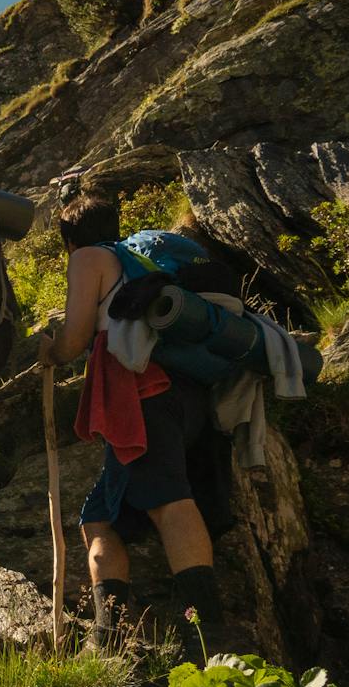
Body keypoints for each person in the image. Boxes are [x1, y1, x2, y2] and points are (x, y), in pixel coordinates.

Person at [36, 192, 227, 644]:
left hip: (143, 394)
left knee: (169, 501)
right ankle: (109, 638)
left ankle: (208, 637)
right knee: (99, 517)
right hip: (190, 392)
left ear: (69, 239)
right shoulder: (141, 260)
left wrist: (52, 351)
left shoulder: (88, 258)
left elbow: (75, 337)